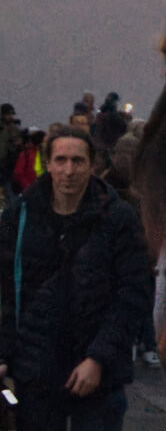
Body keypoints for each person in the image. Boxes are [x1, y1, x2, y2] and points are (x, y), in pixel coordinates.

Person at [0, 126, 151, 431]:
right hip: (36, 371)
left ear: (91, 165)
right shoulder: (20, 215)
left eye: (77, 161)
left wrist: (99, 357)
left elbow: (134, 292)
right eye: (61, 160)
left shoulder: (118, 218)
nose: (68, 170)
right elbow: (5, 291)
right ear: (49, 163)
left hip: (98, 375)